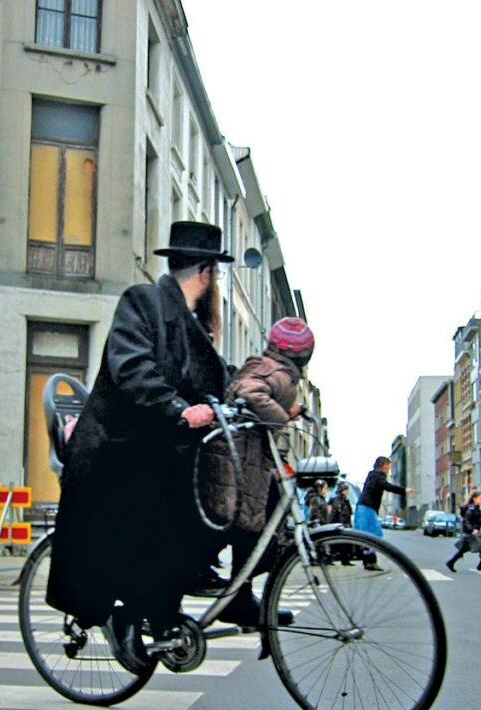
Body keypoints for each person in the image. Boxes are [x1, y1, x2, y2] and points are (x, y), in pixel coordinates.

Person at [46, 220, 232, 673]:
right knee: (150, 516)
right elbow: (130, 367)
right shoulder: (144, 302)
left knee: (207, 504)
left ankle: (190, 605)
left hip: (159, 451)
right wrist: (177, 409)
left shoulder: (194, 328)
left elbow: (214, 381)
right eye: (216, 277)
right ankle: (124, 616)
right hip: (115, 448)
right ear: (206, 274)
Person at [198, 316, 314, 627]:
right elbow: (248, 392)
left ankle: (239, 597)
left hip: (249, 460)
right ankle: (230, 594)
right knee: (242, 527)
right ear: (304, 354)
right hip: (238, 460)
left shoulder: (279, 371)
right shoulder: (273, 370)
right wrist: (281, 416)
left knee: (258, 529)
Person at [354, 456, 414, 570]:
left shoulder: (372, 474)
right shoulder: (379, 475)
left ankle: (368, 561)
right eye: (388, 466)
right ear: (383, 465)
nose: (389, 468)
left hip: (362, 506)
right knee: (373, 535)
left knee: (366, 535)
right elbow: (386, 486)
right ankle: (371, 562)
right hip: (368, 508)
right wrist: (404, 490)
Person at [446, 489, 481, 572]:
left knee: (463, 550)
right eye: (480, 498)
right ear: (474, 499)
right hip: (470, 533)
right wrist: (471, 530)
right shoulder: (472, 508)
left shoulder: (475, 508)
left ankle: (450, 562)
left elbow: (478, 520)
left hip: (469, 533)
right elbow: (466, 520)